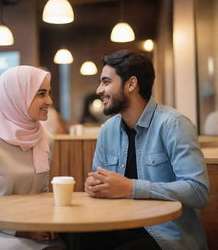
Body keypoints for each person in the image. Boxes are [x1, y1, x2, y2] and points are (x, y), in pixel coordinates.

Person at [83, 50, 209, 250]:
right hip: (115, 225)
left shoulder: (173, 124)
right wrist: (93, 185)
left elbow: (198, 191)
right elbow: (100, 182)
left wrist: (132, 187)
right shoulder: (108, 130)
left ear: (131, 84)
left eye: (106, 82)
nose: (99, 90)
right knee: (73, 237)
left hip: (163, 234)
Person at [0, 66, 65, 250]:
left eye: (49, 93)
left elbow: (41, 193)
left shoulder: (46, 139)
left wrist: (45, 224)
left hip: (33, 229)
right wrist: (18, 231)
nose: (50, 101)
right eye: (41, 93)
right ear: (16, 96)